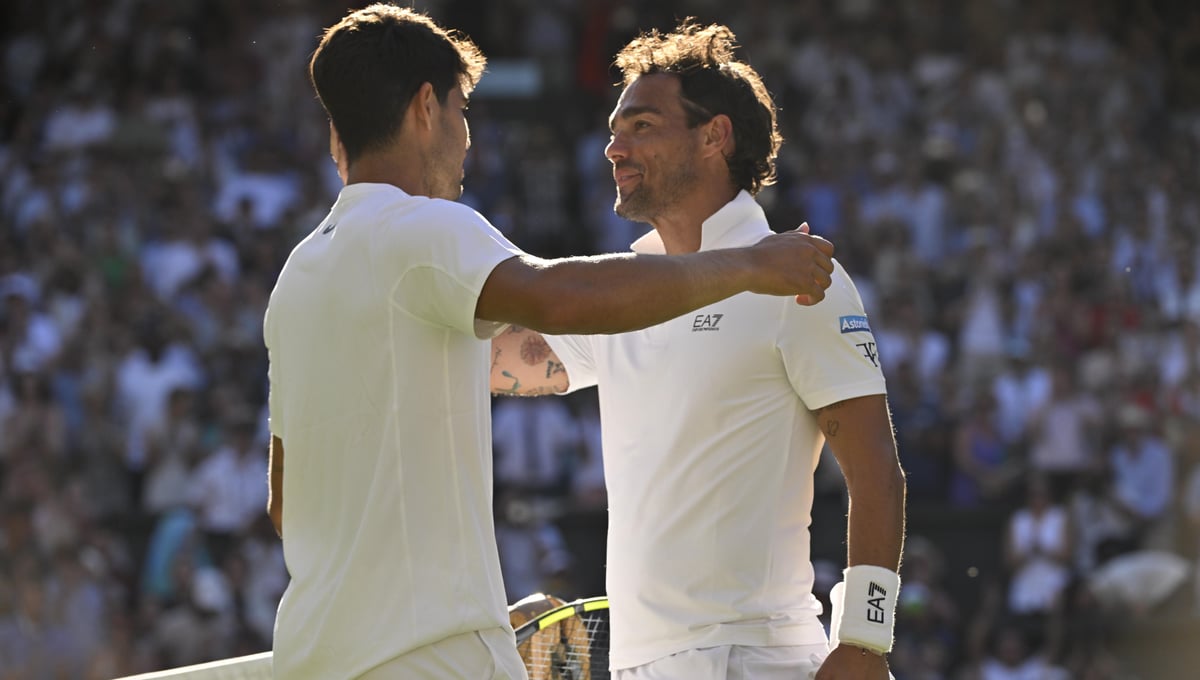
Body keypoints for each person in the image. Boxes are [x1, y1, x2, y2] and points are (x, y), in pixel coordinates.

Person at [263, 6, 836, 680]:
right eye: (460, 112)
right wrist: (749, 267)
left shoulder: (297, 276)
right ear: (425, 109)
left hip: (314, 653)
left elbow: (284, 503)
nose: (466, 140)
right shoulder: (429, 230)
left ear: (338, 138)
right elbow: (559, 296)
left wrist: (449, 598)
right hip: (429, 660)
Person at [491, 21, 906, 680]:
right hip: (637, 665)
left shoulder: (804, 278)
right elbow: (492, 363)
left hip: (757, 661)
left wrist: (863, 639)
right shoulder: (622, 291)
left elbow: (877, 469)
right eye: (614, 130)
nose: (613, 149)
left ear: (714, 136)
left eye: (642, 127)